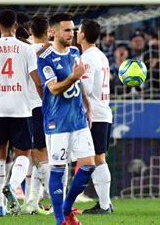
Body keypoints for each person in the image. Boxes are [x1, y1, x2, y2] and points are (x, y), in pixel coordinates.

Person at [0, 9, 43, 217]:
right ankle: (12, 184)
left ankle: (0, 207)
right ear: (15, 26)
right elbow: (37, 80)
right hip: (22, 108)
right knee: (24, 154)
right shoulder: (27, 49)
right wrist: (45, 102)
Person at [37, 13, 96, 225]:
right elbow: (53, 89)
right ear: (52, 32)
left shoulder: (74, 52)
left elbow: (79, 86)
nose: (72, 34)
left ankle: (67, 207)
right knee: (59, 169)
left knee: (89, 165)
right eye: (67, 30)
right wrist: (72, 77)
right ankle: (60, 219)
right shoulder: (45, 58)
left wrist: (88, 108)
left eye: (73, 30)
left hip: (78, 120)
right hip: (57, 123)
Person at [76, 19, 114, 215]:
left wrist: (71, 79)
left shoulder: (87, 58)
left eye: (78, 30)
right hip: (103, 111)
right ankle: (105, 203)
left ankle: (105, 205)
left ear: (82, 35)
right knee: (99, 158)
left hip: (95, 114)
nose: (76, 32)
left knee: (97, 158)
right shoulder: (101, 56)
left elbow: (87, 88)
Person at [21, 15, 52, 215]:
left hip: (27, 107)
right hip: (45, 106)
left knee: (34, 155)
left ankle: (32, 200)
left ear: (30, 31)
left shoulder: (24, 51)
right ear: (48, 30)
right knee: (43, 155)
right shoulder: (52, 50)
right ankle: (55, 198)